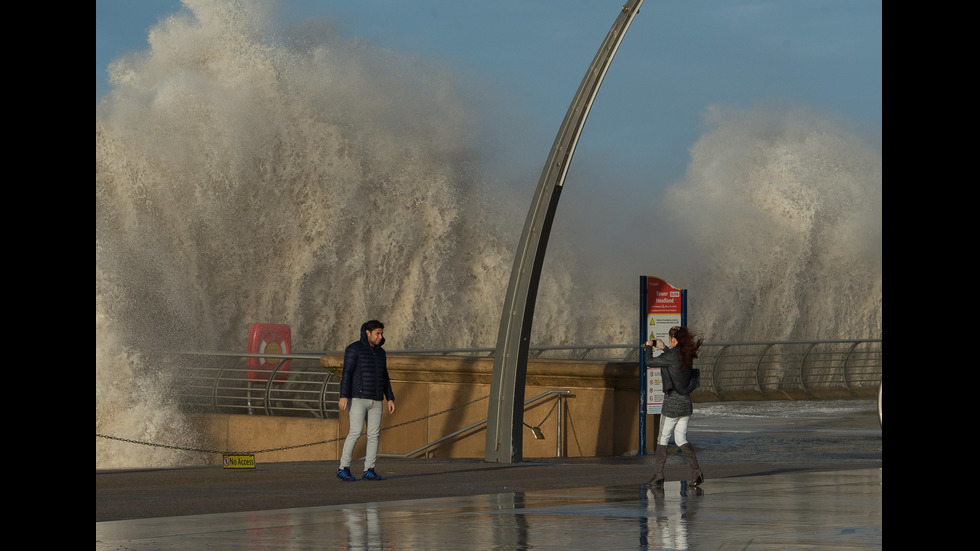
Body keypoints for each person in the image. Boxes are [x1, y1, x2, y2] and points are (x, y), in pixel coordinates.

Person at [643, 326, 705, 487]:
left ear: (674, 340)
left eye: (671, 338)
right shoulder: (687, 355)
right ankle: (697, 473)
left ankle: (658, 476)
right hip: (685, 403)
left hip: (672, 404)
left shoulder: (671, 355)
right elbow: (673, 359)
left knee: (662, 438)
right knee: (681, 439)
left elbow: (649, 362)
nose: (670, 341)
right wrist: (664, 348)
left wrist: (649, 347)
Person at [337, 320, 395, 481]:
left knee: (374, 435)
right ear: (367, 333)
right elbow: (347, 373)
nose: (380, 336)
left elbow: (385, 376)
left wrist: (389, 397)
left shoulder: (381, 353)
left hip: (376, 399)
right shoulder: (354, 349)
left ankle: (369, 469)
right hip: (358, 398)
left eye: (381, 333)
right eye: (377, 333)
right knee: (355, 432)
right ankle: (343, 467)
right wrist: (344, 395)